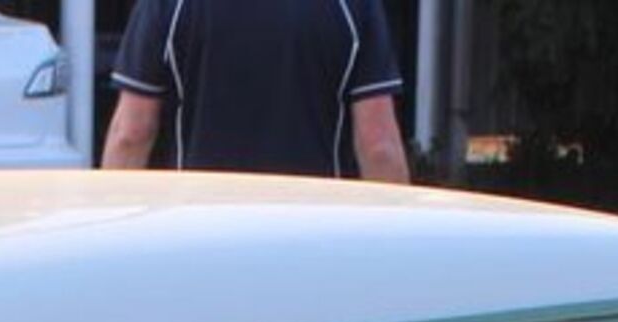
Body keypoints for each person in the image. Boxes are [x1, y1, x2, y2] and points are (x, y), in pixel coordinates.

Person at [100, 0, 412, 185]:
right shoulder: (350, 5)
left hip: (197, 232)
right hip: (314, 232)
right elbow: (378, 145)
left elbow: (131, 133)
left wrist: (108, 240)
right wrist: (401, 252)